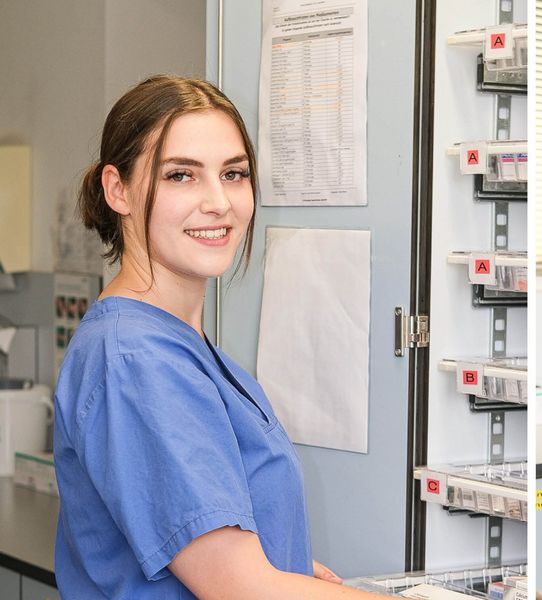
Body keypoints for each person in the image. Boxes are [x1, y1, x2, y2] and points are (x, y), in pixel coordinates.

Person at [54, 75, 389, 599]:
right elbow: (242, 590)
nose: (219, 202)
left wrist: (286, 563)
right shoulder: (136, 360)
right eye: (181, 176)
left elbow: (218, 548)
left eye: (233, 174)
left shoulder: (180, 346)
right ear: (117, 189)